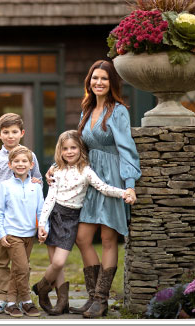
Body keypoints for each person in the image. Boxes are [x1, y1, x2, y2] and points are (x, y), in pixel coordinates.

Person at [46, 60, 141, 318]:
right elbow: (78, 149)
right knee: (83, 238)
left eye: (104, 79)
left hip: (112, 178)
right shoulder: (86, 111)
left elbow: (127, 149)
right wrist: (57, 168)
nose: (99, 83)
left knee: (109, 239)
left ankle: (101, 299)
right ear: (89, 82)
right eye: (95, 78)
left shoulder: (118, 110)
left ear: (112, 83)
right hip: (88, 179)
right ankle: (92, 297)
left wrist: (129, 185)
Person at [33, 130, 132, 316]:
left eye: (73, 148)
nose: (69, 152)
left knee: (59, 262)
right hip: (55, 215)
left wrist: (123, 192)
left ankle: (41, 287)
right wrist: (42, 224)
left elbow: (103, 187)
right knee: (55, 262)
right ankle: (62, 302)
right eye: (65, 149)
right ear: (60, 151)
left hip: (71, 219)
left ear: (81, 149)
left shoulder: (86, 171)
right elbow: (50, 198)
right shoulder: (57, 171)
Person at [0, 113, 42, 314]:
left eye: (14, 132)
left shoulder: (30, 156)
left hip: (22, 218)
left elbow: (37, 180)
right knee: (1, 260)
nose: (11, 136)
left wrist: (38, 181)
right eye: (6, 132)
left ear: (22, 133)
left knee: (21, 263)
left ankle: (18, 298)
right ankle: (2, 297)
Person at [0, 146, 44, 318]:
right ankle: (26, 300)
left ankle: (10, 303)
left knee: (18, 269)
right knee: (22, 268)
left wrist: (43, 228)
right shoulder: (5, 186)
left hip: (29, 234)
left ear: (31, 165)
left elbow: (41, 210)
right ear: (10, 164)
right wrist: (1, 233)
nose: (20, 164)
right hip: (12, 233)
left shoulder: (36, 186)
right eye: (16, 161)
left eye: (24, 161)